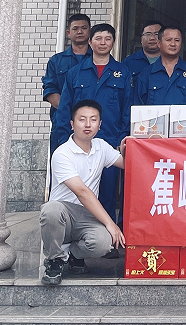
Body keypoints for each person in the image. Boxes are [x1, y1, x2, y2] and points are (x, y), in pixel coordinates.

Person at [40, 100, 128, 285]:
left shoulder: (101, 146)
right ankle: (54, 260)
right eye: (82, 119)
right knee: (51, 209)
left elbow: (127, 164)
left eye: (93, 120)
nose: (88, 124)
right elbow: (82, 192)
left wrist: (130, 147)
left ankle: (73, 254)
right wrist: (111, 223)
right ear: (72, 124)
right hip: (63, 215)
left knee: (103, 243)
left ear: (99, 124)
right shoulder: (62, 153)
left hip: (87, 215)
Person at [54, 23, 131, 227]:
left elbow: (127, 109)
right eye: (98, 38)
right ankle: (75, 233)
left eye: (108, 38)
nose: (103, 42)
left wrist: (121, 139)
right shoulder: (75, 72)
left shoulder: (123, 72)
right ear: (90, 41)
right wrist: (64, 140)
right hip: (80, 145)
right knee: (79, 190)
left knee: (108, 192)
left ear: (113, 43)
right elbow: (65, 109)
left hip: (110, 143)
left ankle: (107, 236)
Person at [132, 26, 186, 105]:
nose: (173, 44)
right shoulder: (146, 74)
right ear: (159, 43)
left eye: (177, 40)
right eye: (168, 40)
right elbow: (138, 107)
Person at [43, 14, 91, 126]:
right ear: (68, 33)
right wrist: (69, 111)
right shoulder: (56, 61)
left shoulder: (98, 59)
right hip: (63, 121)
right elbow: (50, 89)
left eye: (84, 28)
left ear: (90, 31)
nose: (80, 32)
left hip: (91, 121)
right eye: (75, 28)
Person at [122, 20, 163, 87]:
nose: (152, 38)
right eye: (148, 34)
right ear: (141, 39)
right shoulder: (128, 62)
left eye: (156, 34)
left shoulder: (171, 62)